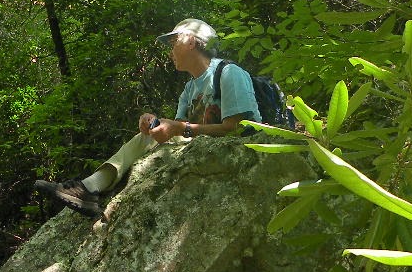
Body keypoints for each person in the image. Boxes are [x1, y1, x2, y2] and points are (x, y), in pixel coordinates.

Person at [34, 18, 260, 219]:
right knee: (145, 138)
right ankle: (89, 188)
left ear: (191, 41)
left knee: (146, 141)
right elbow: (177, 133)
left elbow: (237, 129)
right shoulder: (189, 88)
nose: (170, 51)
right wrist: (154, 125)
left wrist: (180, 128)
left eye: (174, 43)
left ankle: (89, 188)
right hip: (203, 150)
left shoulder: (230, 73)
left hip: (239, 154)